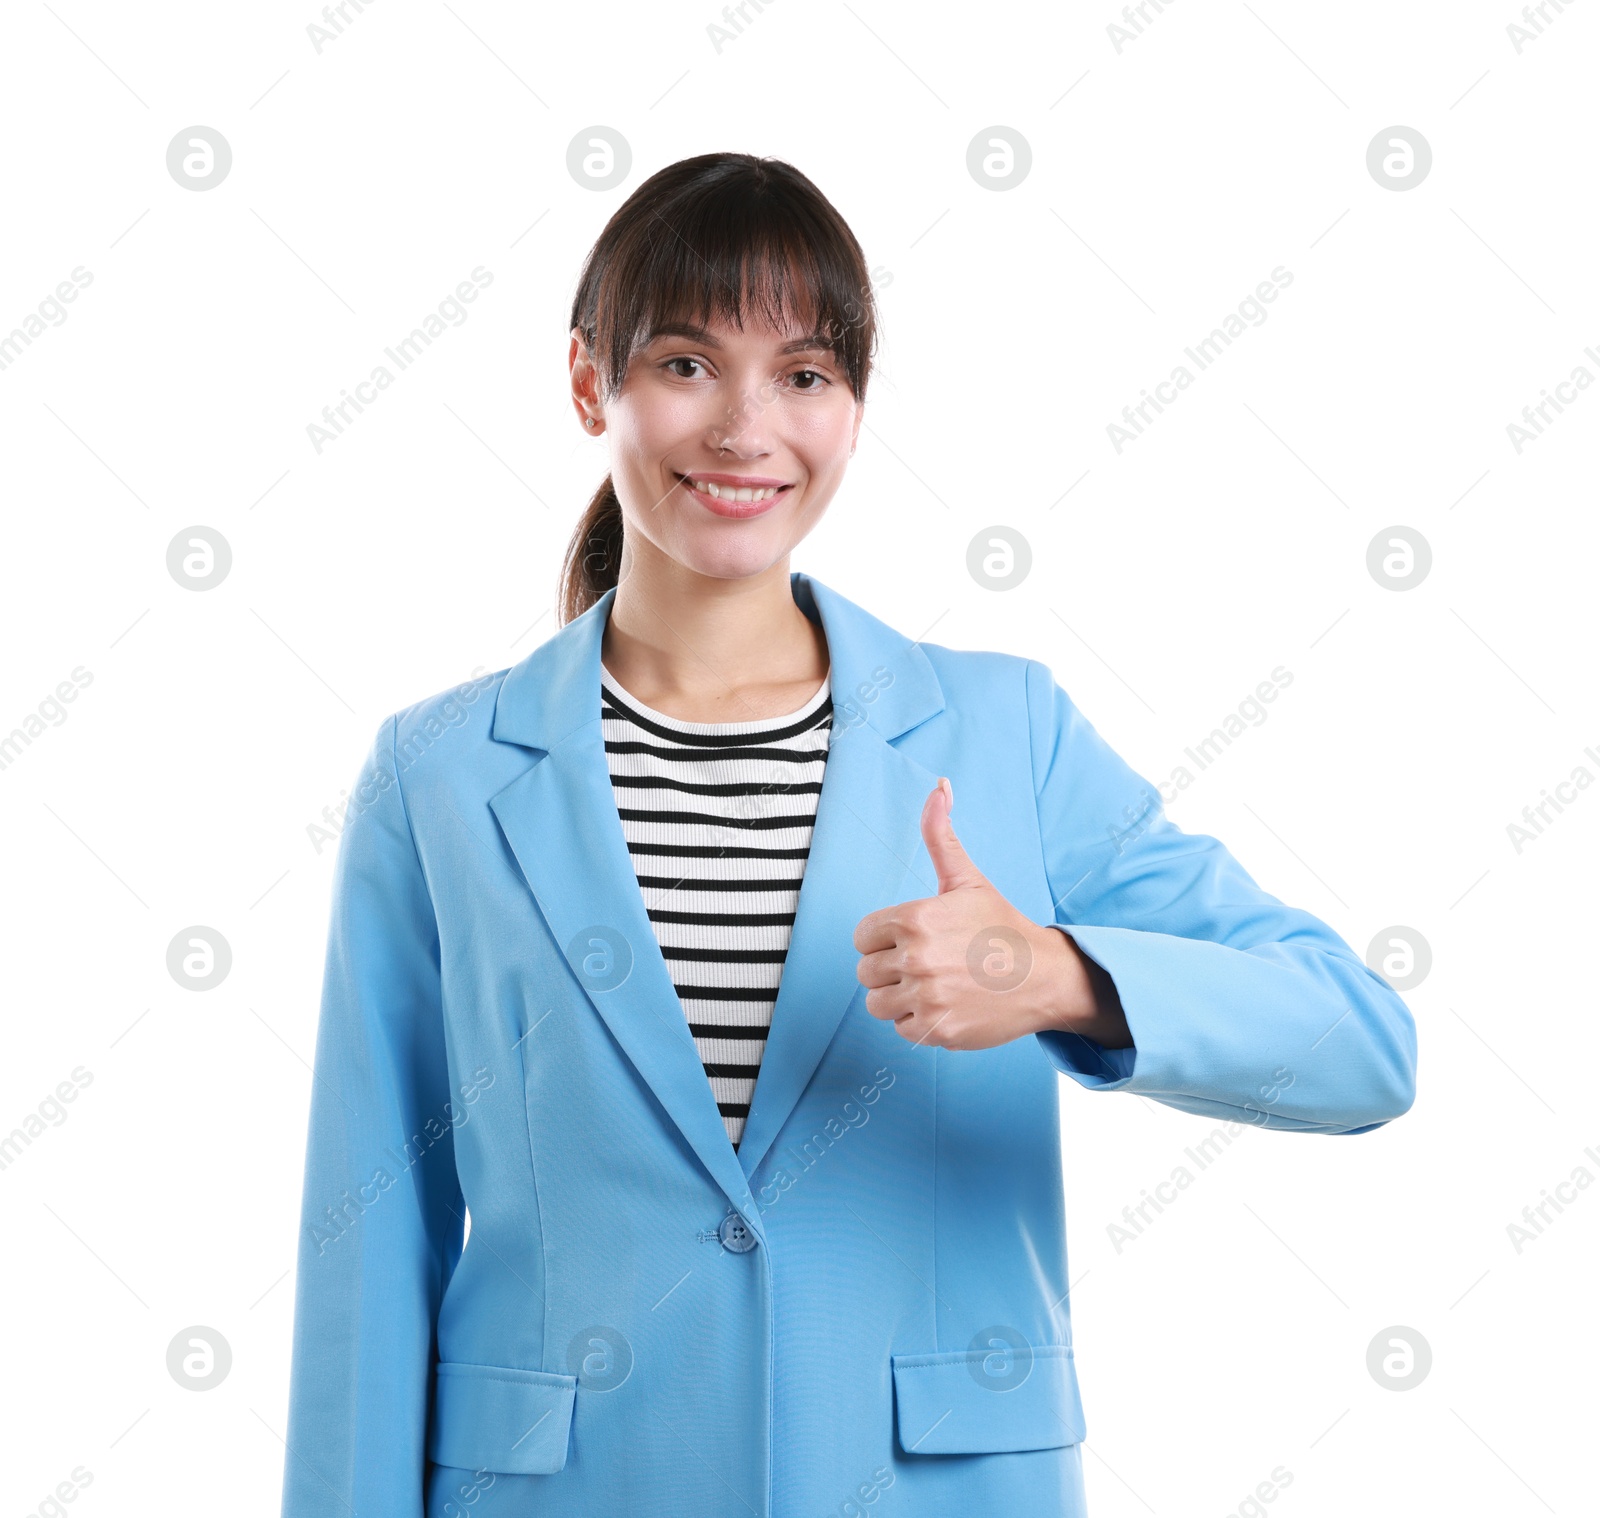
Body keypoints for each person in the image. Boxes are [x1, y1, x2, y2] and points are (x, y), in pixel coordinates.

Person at [278, 152, 1417, 1518]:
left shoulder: (1006, 734)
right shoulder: (441, 774)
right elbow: (369, 1234)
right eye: (689, 364)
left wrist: (1056, 975)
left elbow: (1359, 1044)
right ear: (590, 381)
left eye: (805, 374)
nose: (747, 428)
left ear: (856, 408)